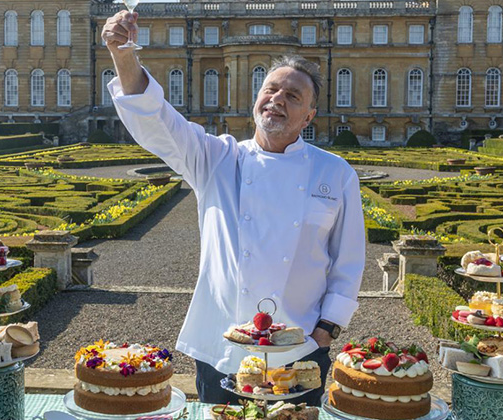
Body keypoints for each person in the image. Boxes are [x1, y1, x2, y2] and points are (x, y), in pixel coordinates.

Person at [101, 11, 365, 406]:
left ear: (309, 116)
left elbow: (348, 263)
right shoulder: (216, 159)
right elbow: (159, 123)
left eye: (293, 96)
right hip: (223, 347)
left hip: (300, 347)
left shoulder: (336, 172)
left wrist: (325, 331)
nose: (277, 99)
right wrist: (123, 56)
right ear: (256, 99)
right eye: (271, 89)